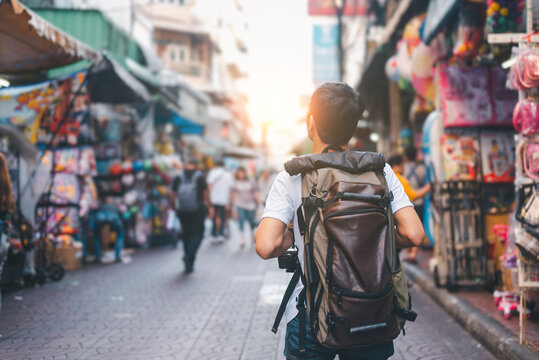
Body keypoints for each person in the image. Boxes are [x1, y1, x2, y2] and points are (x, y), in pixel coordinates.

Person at [255, 83, 426, 360]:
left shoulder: (294, 175)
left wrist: (293, 235)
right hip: (372, 309)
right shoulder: (379, 170)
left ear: (311, 123)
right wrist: (372, 237)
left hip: (311, 311)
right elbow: (415, 234)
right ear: (353, 126)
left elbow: (265, 245)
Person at [388, 154, 431, 263]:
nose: (403, 168)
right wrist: (427, 188)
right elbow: (412, 195)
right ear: (397, 165)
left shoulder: (382, 176)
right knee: (412, 232)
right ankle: (412, 255)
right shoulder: (397, 178)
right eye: (402, 165)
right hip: (404, 209)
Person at [170, 157, 209, 273]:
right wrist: (209, 206)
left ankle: (187, 255)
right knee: (198, 234)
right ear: (196, 166)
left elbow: (173, 194)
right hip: (198, 210)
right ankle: (190, 256)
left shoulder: (179, 177)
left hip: (183, 210)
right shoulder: (200, 177)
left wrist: (172, 207)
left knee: (186, 235)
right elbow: (205, 193)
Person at [231, 167, 259, 248]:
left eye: (242, 173)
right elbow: (232, 194)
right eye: (239, 173)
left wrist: (258, 203)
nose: (241, 175)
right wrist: (233, 207)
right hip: (240, 204)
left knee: (251, 221)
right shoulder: (235, 183)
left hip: (250, 204)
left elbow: (255, 192)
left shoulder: (251, 181)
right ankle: (242, 239)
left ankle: (253, 236)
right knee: (241, 220)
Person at [207, 160, 234, 243]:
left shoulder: (212, 173)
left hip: (213, 199)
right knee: (222, 217)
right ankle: (221, 234)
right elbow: (231, 189)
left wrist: (208, 199)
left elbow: (209, 186)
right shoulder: (228, 174)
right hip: (224, 199)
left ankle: (214, 234)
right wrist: (230, 202)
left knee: (214, 217)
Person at [93, 195, 124, 263]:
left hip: (100, 216)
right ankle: (117, 257)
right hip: (113, 216)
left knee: (96, 235)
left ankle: (98, 257)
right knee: (120, 234)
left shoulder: (102, 205)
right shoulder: (114, 206)